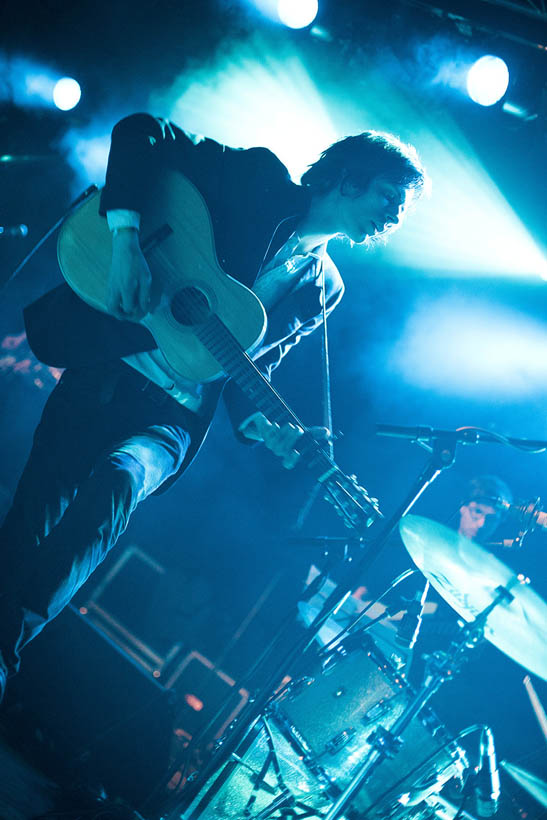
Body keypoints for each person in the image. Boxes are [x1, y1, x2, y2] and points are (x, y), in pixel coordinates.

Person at [0, 112, 427, 700]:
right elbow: (140, 130)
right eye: (390, 196)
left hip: (172, 420)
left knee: (119, 484)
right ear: (349, 178)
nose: (397, 215)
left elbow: (252, 371)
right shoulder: (255, 178)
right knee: (31, 518)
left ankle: (5, 653)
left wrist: (265, 429)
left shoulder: (326, 288)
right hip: (109, 371)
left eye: (402, 208)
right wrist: (126, 240)